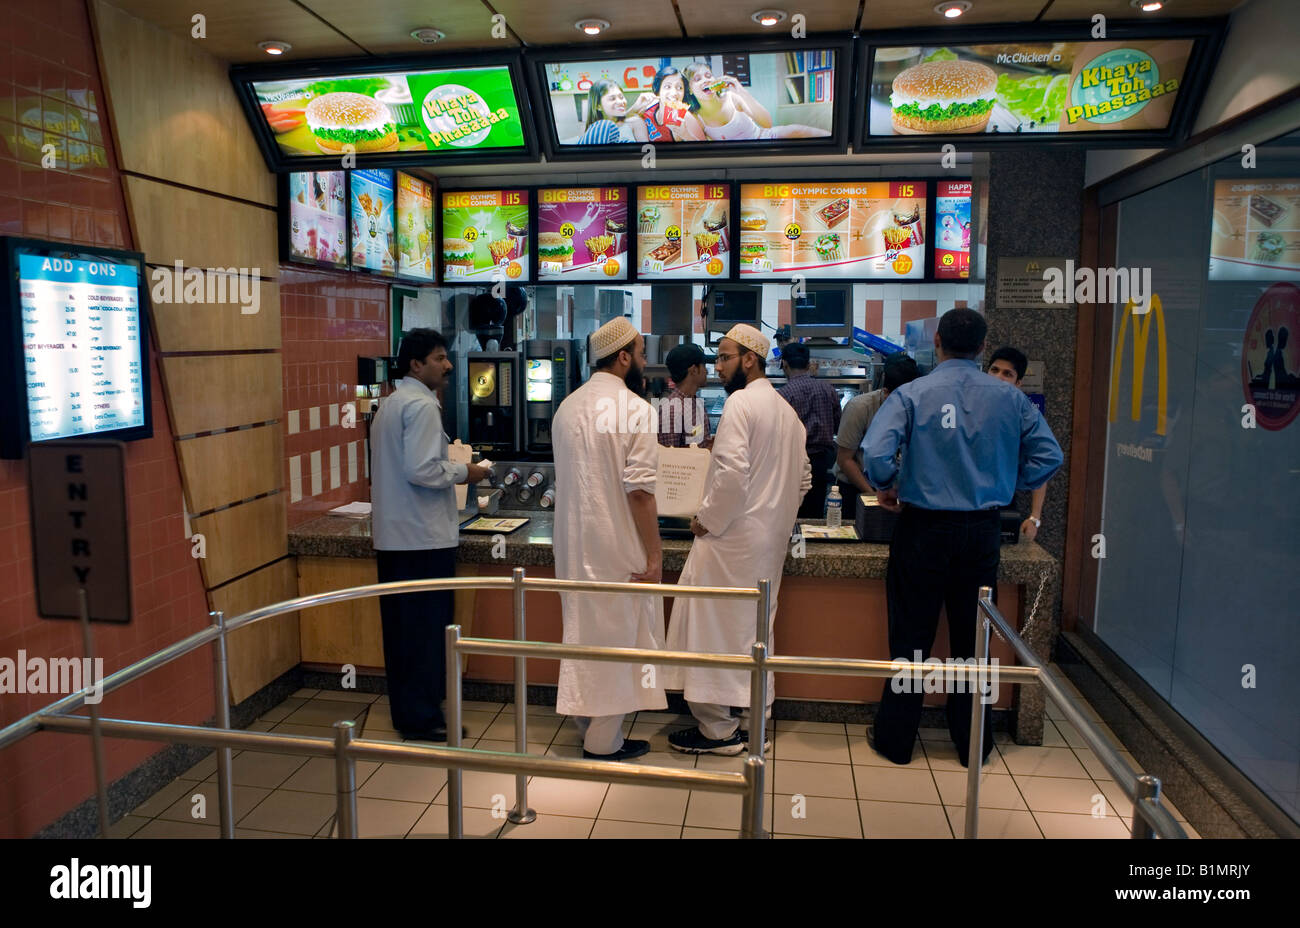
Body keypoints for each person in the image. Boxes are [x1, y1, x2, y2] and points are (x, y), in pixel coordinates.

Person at [861, 309, 1063, 767]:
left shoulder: (913, 393)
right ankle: (973, 744)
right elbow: (1050, 455)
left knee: (910, 638)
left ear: (937, 342)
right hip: (981, 531)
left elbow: (874, 452)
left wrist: (887, 483)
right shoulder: (1010, 399)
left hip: (922, 528)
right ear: (981, 348)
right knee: (975, 642)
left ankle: (896, 741)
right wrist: (1010, 482)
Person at [666, 324, 811, 755]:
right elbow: (804, 478)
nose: (718, 366)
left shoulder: (740, 405)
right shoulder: (786, 412)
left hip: (730, 542)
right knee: (755, 631)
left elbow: (729, 475)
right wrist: (777, 514)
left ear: (750, 359)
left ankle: (718, 732)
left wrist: (706, 520)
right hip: (768, 546)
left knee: (712, 631)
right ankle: (753, 724)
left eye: (725, 357)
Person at [551, 316, 666, 760]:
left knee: (584, 634)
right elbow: (640, 492)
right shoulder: (637, 410)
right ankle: (602, 741)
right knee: (618, 640)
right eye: (640, 353)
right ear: (623, 358)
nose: (643, 361)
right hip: (618, 544)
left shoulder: (567, 407)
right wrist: (654, 557)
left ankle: (592, 727)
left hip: (574, 545)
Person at [370, 329, 491, 742]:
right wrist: (467, 472)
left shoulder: (392, 403)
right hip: (422, 542)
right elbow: (422, 470)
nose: (449, 365)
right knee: (425, 635)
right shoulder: (421, 406)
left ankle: (412, 714)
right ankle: (423, 720)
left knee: (404, 636)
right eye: (440, 358)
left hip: (397, 539)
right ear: (415, 364)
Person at [834, 353, 920, 520]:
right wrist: (873, 495)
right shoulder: (860, 408)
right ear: (886, 392)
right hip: (857, 489)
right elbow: (845, 460)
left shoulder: (917, 408)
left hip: (897, 493)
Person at [986, 346, 1048, 542]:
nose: (999, 377)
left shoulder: (1024, 416)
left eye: (1007, 374)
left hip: (1000, 504)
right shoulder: (969, 406)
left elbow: (1042, 461)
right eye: (994, 370)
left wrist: (1034, 518)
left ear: (1018, 383)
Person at [681, 63, 830, 140]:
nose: (706, 80)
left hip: (762, 139)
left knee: (798, 130)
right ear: (690, 89)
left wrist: (741, 91)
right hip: (734, 160)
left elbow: (767, 123)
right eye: (697, 79)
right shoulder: (695, 117)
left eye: (708, 75)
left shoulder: (732, 98)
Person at [778, 341, 841, 519]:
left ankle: (795, 545)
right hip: (822, 461)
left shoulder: (783, 394)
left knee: (793, 511)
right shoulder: (828, 389)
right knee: (814, 513)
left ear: (785, 364)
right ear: (808, 364)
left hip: (793, 460)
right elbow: (838, 425)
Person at [658, 342, 712, 449]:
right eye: (704, 366)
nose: (706, 371)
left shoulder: (695, 403)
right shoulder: (672, 411)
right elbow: (670, 461)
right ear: (694, 370)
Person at [630, 67, 707, 143]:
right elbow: (621, 123)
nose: (674, 93)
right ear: (658, 90)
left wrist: (686, 135)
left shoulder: (685, 117)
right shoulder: (648, 106)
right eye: (667, 87)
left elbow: (705, 149)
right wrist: (634, 108)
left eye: (679, 88)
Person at [575, 80, 654, 145]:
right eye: (612, 98)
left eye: (621, 97)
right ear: (598, 106)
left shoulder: (635, 122)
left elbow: (646, 153)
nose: (620, 102)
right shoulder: (591, 130)